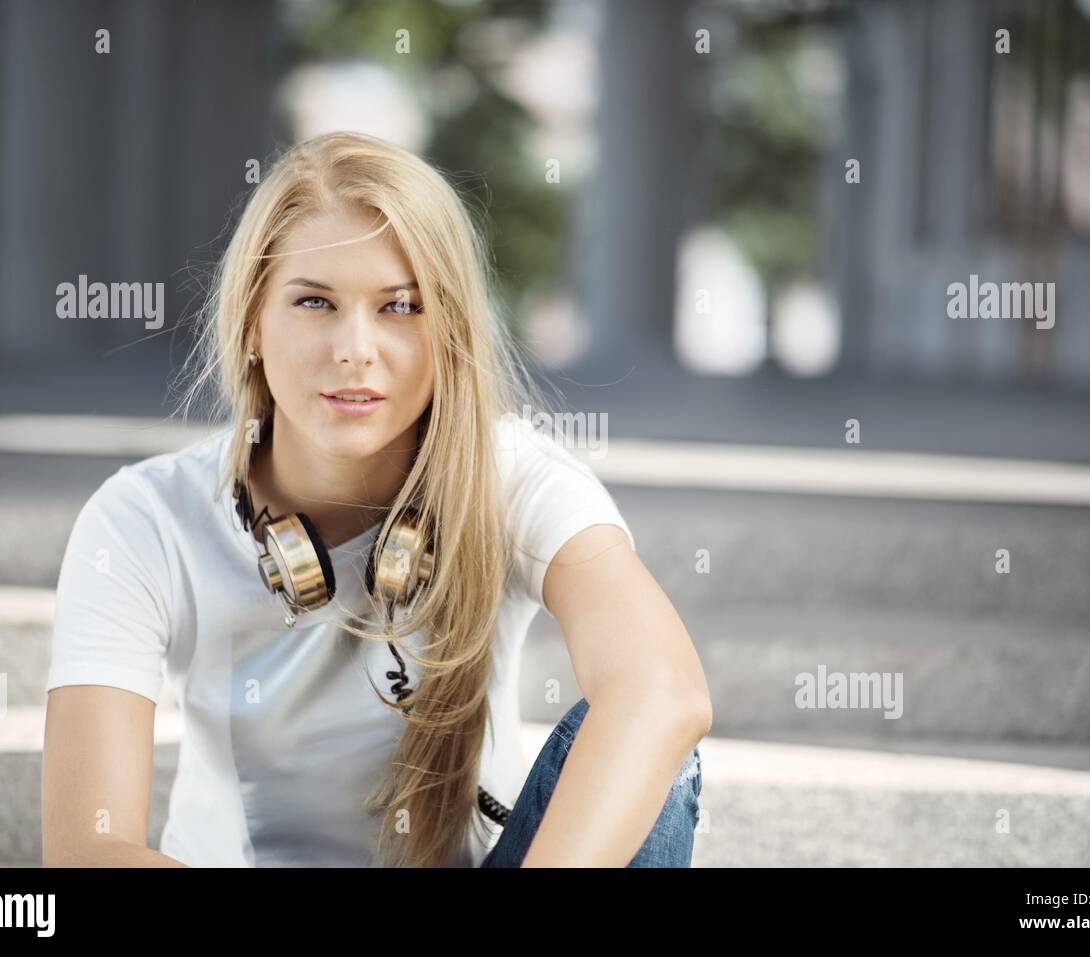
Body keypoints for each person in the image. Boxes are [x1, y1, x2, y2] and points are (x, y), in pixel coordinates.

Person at [40, 130, 711, 868]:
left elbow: (662, 688)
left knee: (650, 753)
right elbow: (87, 849)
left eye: (400, 307)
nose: (355, 348)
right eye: (315, 301)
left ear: (448, 331)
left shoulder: (513, 476)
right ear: (253, 323)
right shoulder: (144, 518)